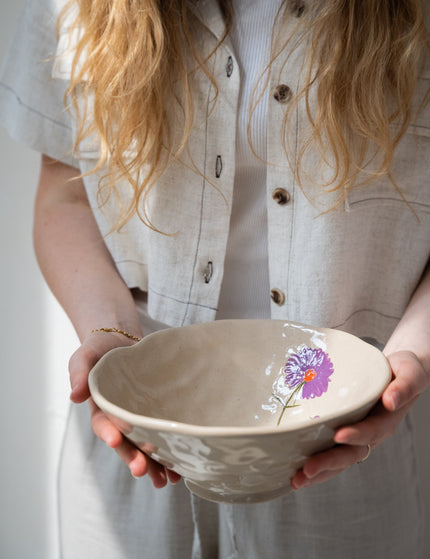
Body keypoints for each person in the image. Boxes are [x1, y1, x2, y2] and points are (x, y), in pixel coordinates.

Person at [1, 0, 429, 557]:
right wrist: (109, 333)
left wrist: (413, 354)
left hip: (355, 425)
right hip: (139, 424)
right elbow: (66, 185)